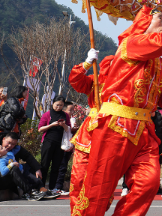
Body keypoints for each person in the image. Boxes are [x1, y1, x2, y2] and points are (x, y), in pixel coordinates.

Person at [81, 6, 162, 216]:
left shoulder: (160, 64)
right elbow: (160, 42)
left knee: (148, 183)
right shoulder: (131, 44)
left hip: (144, 132)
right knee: (99, 187)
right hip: (116, 126)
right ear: (144, 22)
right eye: (160, 19)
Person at [67, 50, 112, 216]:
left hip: (112, 133)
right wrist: (86, 63)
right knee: (78, 177)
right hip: (89, 133)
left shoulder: (126, 85)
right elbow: (76, 81)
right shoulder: (95, 80)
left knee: (103, 181)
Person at [0, 132, 57, 200]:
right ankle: (29, 192)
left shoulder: (14, 149)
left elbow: (28, 156)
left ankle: (41, 188)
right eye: (9, 143)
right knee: (14, 168)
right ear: (3, 139)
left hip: (8, 176)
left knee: (26, 166)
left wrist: (37, 169)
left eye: (13, 144)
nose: (10, 146)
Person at [38, 95, 70, 193]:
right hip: (48, 141)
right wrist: (52, 125)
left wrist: (63, 124)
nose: (58, 107)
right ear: (53, 104)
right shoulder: (47, 114)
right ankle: (41, 187)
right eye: (57, 105)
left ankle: (52, 188)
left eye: (61, 105)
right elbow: (40, 129)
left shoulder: (65, 115)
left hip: (60, 143)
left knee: (56, 167)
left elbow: (68, 129)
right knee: (45, 165)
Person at [54, 101, 79, 195]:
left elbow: (71, 131)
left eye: (73, 110)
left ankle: (58, 187)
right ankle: (57, 187)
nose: (72, 112)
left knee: (63, 166)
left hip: (68, 145)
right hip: (61, 145)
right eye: (70, 110)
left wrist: (75, 129)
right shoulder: (61, 119)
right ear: (64, 109)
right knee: (61, 166)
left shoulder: (72, 119)